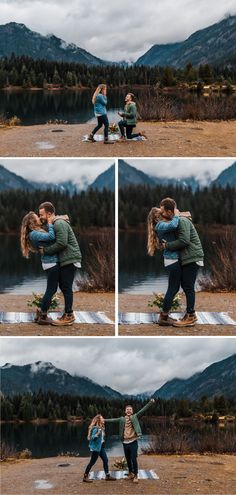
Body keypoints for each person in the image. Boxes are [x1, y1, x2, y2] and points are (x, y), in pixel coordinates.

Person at [160, 197, 204, 327]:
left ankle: (190, 315)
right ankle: (190, 314)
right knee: (186, 286)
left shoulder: (183, 221)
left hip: (192, 257)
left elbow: (184, 241)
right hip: (188, 257)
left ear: (169, 211)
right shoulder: (178, 220)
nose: (161, 214)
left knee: (188, 287)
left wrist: (167, 246)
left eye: (162, 211)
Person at [38, 202, 82, 326]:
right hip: (66, 259)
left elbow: (62, 243)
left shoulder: (59, 223)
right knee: (64, 286)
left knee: (66, 287)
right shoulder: (56, 223)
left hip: (70, 258)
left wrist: (45, 251)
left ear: (49, 214)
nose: (40, 217)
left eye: (41, 214)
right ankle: (67, 314)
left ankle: (69, 315)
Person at [20, 211, 59, 325]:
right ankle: (43, 315)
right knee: (51, 290)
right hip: (51, 263)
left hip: (49, 263)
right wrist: (51, 223)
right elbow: (51, 236)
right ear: (32, 221)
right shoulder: (33, 234)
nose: (39, 218)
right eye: (37, 217)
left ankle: (40, 313)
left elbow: (48, 237)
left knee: (51, 289)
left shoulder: (35, 232)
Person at [105, 399, 155, 483]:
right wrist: (103, 420)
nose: (128, 410)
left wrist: (150, 403)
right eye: (127, 409)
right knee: (128, 459)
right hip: (125, 442)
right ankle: (130, 473)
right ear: (125, 411)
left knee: (133, 458)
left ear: (132, 411)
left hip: (133, 441)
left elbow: (143, 410)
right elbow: (113, 420)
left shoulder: (135, 417)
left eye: (130, 409)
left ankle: (136, 475)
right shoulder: (121, 419)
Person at [147, 206, 182, 326]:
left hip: (171, 260)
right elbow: (173, 225)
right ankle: (164, 317)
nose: (165, 214)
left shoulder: (161, 225)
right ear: (158, 216)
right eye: (162, 212)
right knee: (172, 289)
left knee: (173, 288)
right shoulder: (160, 225)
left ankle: (164, 315)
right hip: (172, 260)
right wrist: (177, 214)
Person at [83, 415, 115, 483]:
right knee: (92, 462)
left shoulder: (101, 428)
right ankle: (85, 477)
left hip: (100, 447)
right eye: (102, 418)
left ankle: (107, 475)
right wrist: (96, 434)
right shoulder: (96, 428)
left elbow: (101, 439)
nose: (103, 419)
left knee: (105, 460)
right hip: (96, 448)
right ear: (99, 420)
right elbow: (91, 438)